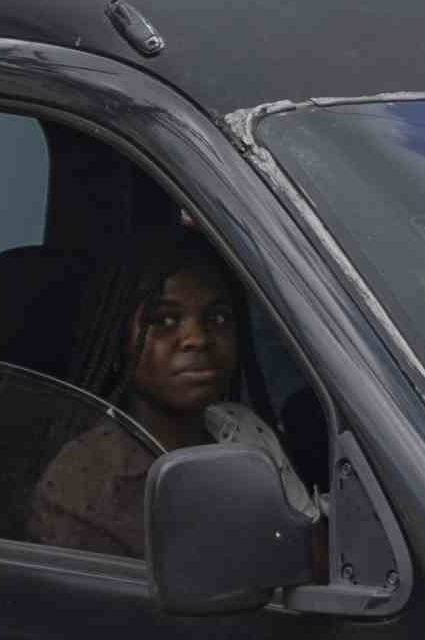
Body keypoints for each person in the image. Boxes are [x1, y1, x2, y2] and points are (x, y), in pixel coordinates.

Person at [28, 236, 298, 558]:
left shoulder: (241, 430)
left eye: (218, 319)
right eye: (164, 321)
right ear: (119, 342)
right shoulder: (86, 484)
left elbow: (314, 552)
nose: (197, 339)